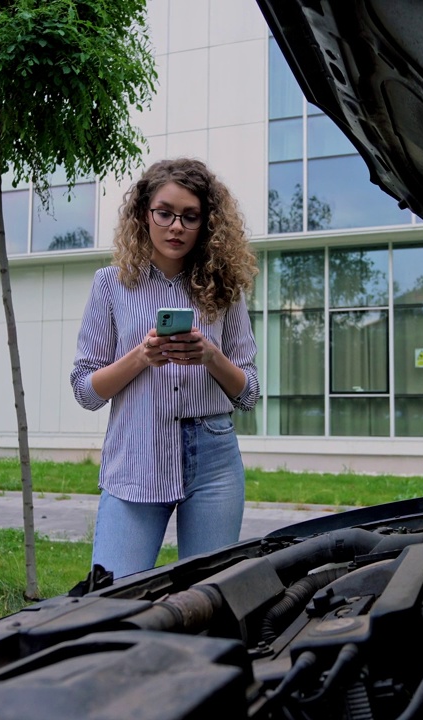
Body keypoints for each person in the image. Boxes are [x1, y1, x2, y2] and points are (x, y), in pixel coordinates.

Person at [70, 158, 260, 579]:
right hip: (136, 452)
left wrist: (210, 355)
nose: (176, 226)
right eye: (165, 213)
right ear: (144, 214)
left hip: (213, 458)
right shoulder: (110, 284)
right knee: (113, 595)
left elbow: (249, 393)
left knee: (209, 596)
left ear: (206, 223)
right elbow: (86, 390)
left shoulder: (225, 289)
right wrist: (141, 357)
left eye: (190, 217)